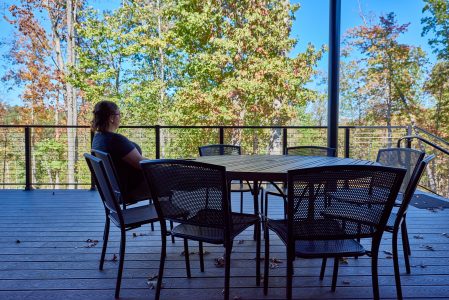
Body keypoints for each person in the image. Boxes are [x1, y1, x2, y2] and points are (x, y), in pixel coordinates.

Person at [91, 100, 150, 204]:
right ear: (111, 118)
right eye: (119, 114)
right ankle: (178, 215)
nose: (120, 118)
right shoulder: (115, 140)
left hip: (115, 191)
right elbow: (142, 164)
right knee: (178, 176)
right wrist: (162, 163)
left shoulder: (98, 138)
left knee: (175, 176)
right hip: (129, 191)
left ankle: (176, 213)